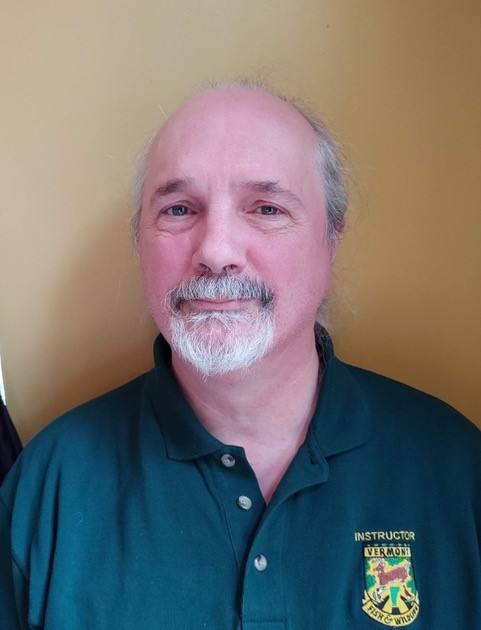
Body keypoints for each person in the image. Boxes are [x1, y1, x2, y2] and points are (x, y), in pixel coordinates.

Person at [1, 81, 480, 630]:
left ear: (331, 242)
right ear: (141, 243)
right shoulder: (48, 490)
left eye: (267, 208)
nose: (215, 252)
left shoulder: (458, 473)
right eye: (179, 208)